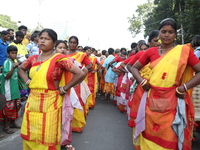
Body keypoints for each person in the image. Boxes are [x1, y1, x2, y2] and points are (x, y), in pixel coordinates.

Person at [132, 18, 200, 150]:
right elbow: (134, 68)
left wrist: (184, 87)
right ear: (159, 33)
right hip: (151, 101)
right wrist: (142, 81)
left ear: (176, 34)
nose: (167, 35)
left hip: (173, 101)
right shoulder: (151, 52)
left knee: (170, 136)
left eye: (171, 32)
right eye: (163, 31)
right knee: (149, 132)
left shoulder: (184, 52)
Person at [18, 28, 84, 150]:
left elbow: (80, 73)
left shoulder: (59, 59)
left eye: (47, 39)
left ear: (54, 43)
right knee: (31, 133)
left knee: (48, 135)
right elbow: (21, 68)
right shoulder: (33, 58)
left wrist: (64, 88)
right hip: (33, 102)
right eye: (41, 38)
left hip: (50, 103)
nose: (42, 41)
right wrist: (27, 81)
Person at [66, 36, 92, 133]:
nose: (72, 44)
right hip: (65, 80)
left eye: (74, 43)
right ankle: (66, 123)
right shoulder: (63, 53)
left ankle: (76, 125)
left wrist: (81, 75)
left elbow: (89, 65)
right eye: (70, 42)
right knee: (66, 101)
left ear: (77, 44)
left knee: (76, 101)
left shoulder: (80, 55)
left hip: (77, 82)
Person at [0, 45, 21, 134]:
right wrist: (13, 67)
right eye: (12, 53)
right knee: (7, 109)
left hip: (15, 89)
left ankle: (12, 123)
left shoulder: (15, 62)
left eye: (15, 53)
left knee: (15, 107)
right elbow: (7, 76)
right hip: (8, 90)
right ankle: (6, 126)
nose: (14, 55)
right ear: (8, 54)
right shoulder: (7, 62)